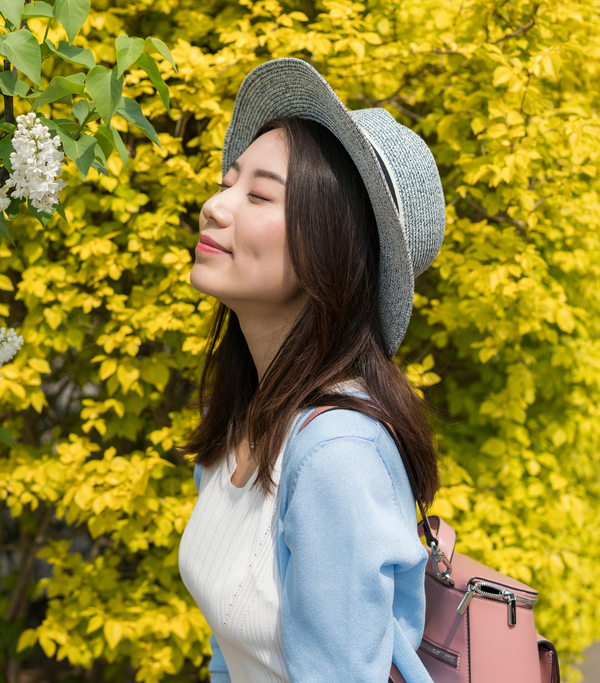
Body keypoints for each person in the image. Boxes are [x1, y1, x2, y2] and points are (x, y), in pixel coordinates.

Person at [177, 58, 446, 683]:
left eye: (259, 195)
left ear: (330, 243)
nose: (215, 207)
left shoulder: (336, 454)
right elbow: (231, 654)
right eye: (228, 182)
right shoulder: (244, 421)